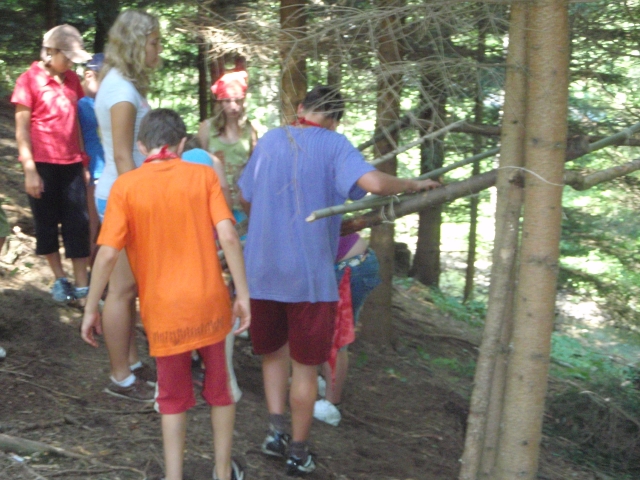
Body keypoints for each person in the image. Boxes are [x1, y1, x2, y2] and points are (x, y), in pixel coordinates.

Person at [238, 85, 441, 476]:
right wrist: (412, 184)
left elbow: (246, 195)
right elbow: (374, 184)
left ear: (301, 108)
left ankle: (275, 433)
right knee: (305, 366)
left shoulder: (271, 140)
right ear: (334, 120)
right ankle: (298, 452)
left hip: (262, 271)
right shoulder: (334, 144)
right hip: (309, 278)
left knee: (273, 354)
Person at [81, 108, 249, 480]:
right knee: (220, 390)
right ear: (182, 143)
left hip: (164, 312)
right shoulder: (204, 176)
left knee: (172, 398)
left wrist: (91, 307)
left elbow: (107, 254)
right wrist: (243, 294)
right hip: (210, 304)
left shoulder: (127, 186)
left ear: (142, 147)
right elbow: (228, 236)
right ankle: (223, 472)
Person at [93, 10, 162, 400]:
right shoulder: (121, 91)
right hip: (121, 196)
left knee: (128, 287)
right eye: (154, 42)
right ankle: (120, 378)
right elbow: (122, 155)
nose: (158, 49)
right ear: (136, 44)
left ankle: (132, 363)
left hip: (120, 193)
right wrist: (141, 204)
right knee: (120, 290)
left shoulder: (121, 83)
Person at [12, 24, 92, 303]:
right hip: (42, 164)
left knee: (78, 224)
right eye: (67, 56)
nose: (70, 63)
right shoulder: (28, 80)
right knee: (46, 224)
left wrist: (83, 162)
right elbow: (22, 130)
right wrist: (29, 170)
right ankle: (60, 280)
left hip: (72, 163)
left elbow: (77, 123)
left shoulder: (72, 80)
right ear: (50, 52)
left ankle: (82, 287)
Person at [314, 233, 381, 426]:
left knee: (335, 336)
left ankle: (331, 404)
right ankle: (322, 382)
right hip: (348, 263)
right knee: (323, 329)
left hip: (350, 266)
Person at [197, 69, 257, 226]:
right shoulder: (207, 128)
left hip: (242, 204)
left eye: (237, 101)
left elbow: (255, 168)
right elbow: (198, 164)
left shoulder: (249, 131)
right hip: (215, 202)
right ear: (220, 103)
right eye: (227, 101)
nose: (233, 106)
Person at [78, 53, 105, 264]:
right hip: (92, 169)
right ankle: (91, 271)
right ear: (89, 75)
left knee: (107, 225)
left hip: (107, 169)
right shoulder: (79, 103)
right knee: (92, 224)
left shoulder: (103, 102)